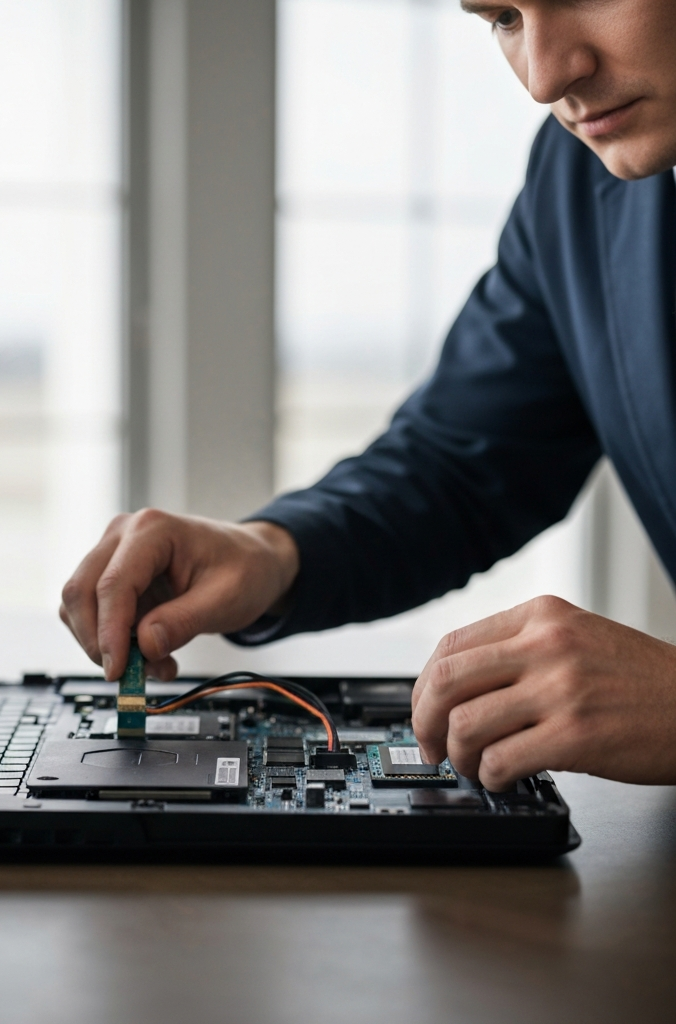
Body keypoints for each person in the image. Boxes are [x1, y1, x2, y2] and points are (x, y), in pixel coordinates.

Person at [60, 0, 676, 792]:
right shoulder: (574, 181)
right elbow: (458, 464)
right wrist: (271, 552)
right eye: (503, 17)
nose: (546, 76)